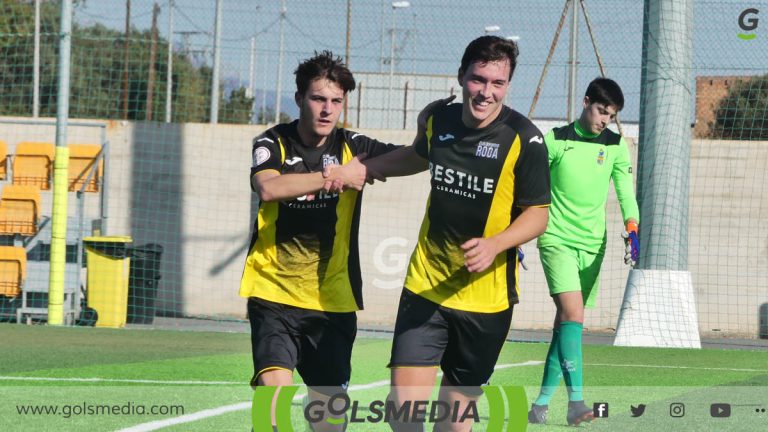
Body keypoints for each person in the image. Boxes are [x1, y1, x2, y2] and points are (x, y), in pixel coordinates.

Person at [357, 35, 551, 431]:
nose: (486, 92)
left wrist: (496, 244)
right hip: (426, 286)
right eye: (479, 79)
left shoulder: (525, 139)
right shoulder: (437, 118)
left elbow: (538, 215)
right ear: (461, 76)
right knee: (403, 417)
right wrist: (366, 169)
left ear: (508, 85)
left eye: (498, 83)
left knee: (453, 424)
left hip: (487, 302)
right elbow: (417, 155)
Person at [239, 50, 399, 432]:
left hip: (333, 301)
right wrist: (337, 176)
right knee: (272, 398)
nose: (327, 109)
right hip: (273, 292)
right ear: (299, 99)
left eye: (336, 101)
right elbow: (270, 188)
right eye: (318, 98)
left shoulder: (353, 145)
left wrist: (434, 129)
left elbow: (412, 158)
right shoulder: (273, 141)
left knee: (329, 420)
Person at [528, 77, 640, 426]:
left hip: (593, 246)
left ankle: (540, 405)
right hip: (555, 239)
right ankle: (577, 403)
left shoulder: (616, 146)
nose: (604, 119)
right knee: (574, 315)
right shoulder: (556, 141)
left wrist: (632, 227)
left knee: (566, 325)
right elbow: (528, 183)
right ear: (586, 101)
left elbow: (625, 190)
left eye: (612, 115)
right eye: (601, 111)